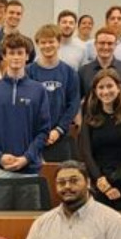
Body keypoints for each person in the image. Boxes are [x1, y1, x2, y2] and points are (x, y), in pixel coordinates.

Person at [0, 33, 51, 178]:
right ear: (4, 56)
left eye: (20, 53)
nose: (16, 57)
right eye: (11, 53)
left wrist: (27, 157)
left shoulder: (38, 90)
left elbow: (43, 131)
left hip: (29, 169)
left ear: (27, 56)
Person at [77, 69, 121, 210]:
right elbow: (86, 153)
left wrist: (113, 179)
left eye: (109, 86)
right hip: (99, 185)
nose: (106, 91)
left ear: (119, 88)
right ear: (95, 91)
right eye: (101, 87)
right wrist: (101, 182)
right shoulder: (89, 118)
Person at [29, 23, 81, 159]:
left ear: (59, 43)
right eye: (43, 42)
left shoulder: (70, 73)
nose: (47, 46)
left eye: (51, 41)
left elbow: (73, 104)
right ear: (38, 45)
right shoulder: (28, 72)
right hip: (32, 138)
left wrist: (58, 130)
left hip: (60, 137)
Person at [78, 27, 121, 101]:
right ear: (95, 44)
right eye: (102, 43)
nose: (106, 47)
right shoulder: (83, 71)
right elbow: (78, 100)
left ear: (115, 45)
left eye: (110, 43)